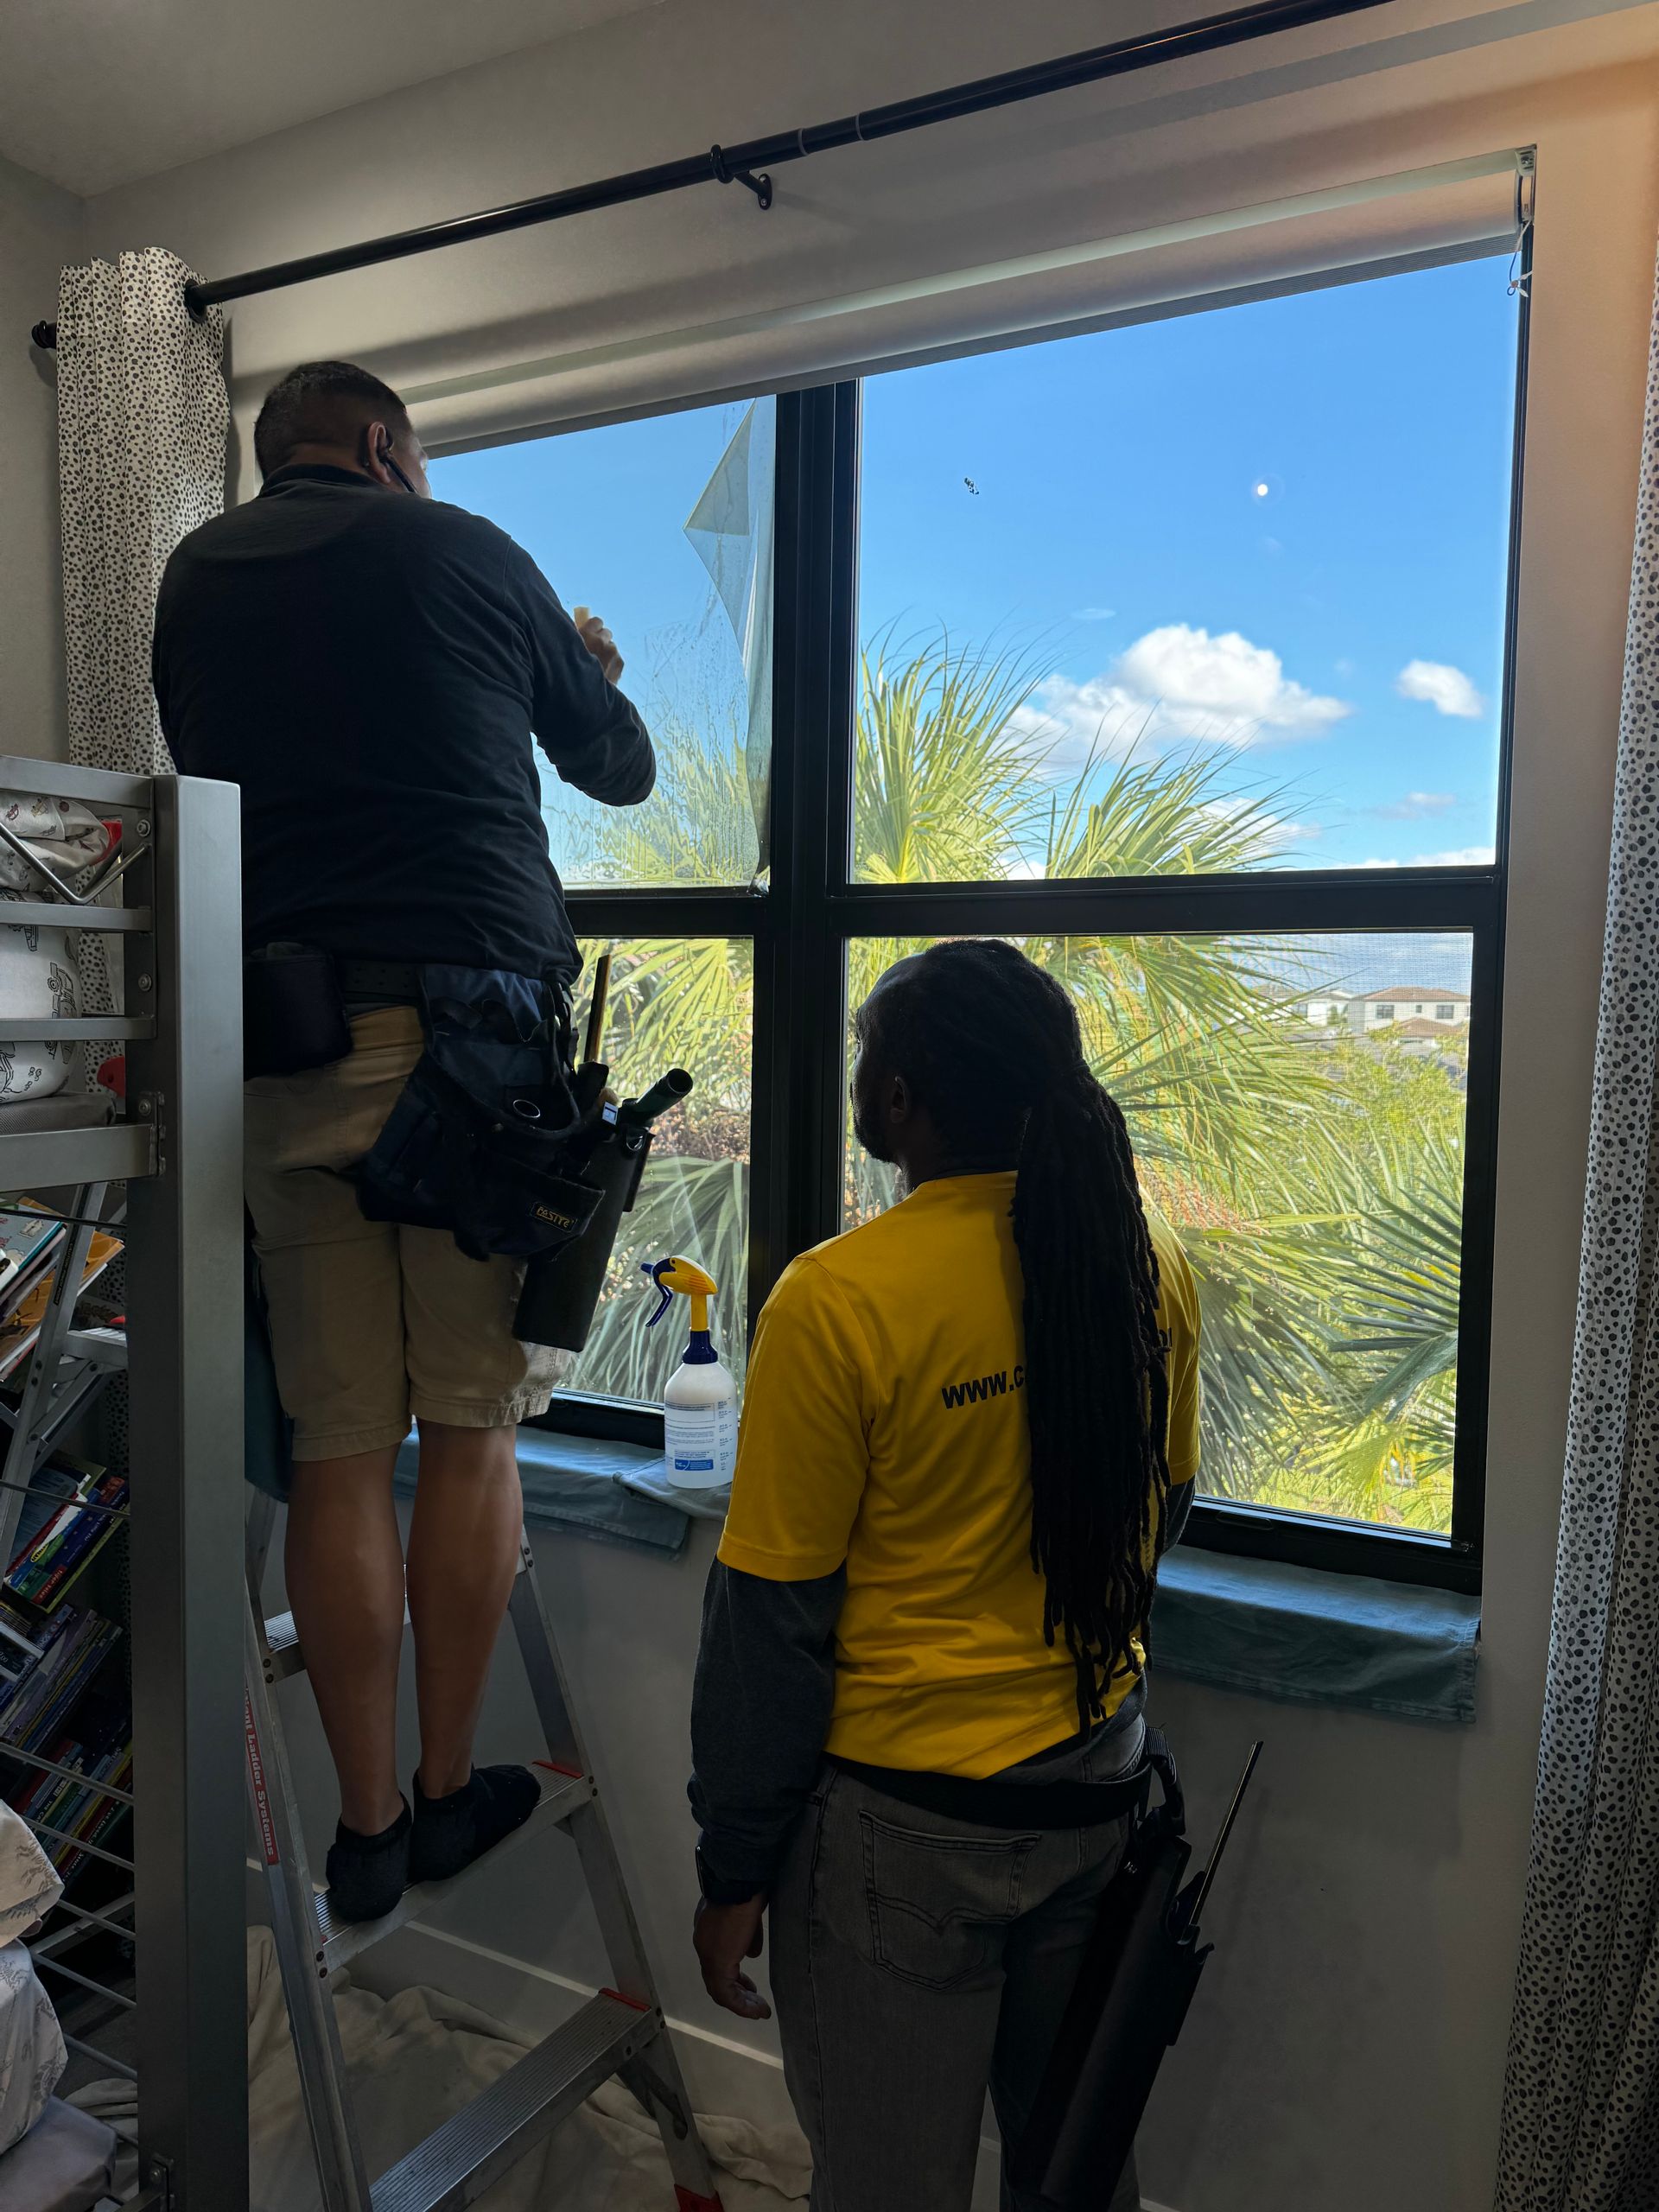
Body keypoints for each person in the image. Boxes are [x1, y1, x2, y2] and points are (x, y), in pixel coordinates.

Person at [153, 359, 655, 1920]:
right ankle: (443, 1795)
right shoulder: (469, 553)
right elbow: (619, 766)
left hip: (280, 1051)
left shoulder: (191, 575)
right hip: (468, 1065)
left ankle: (359, 1828)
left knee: (338, 1458)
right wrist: (579, 658)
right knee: (474, 1433)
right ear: (386, 450)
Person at [688, 938, 1202, 2212]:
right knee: (1077, 2174)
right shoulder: (1146, 1267)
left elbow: (771, 1623)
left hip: (900, 1840)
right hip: (1096, 1798)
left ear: (902, 1100)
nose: (860, 1083)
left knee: (886, 2189)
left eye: (869, 1063)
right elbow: (1160, 1513)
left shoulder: (838, 1298)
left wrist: (732, 1870)